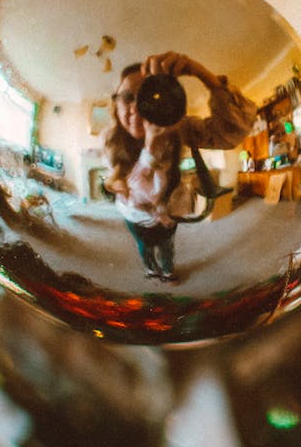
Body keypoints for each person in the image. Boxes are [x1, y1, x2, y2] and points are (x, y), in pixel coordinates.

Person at [103, 52, 257, 282]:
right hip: (133, 215)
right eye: (127, 97)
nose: (135, 107)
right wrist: (151, 147)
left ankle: (166, 270)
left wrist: (206, 78)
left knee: (166, 245)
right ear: (115, 105)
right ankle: (150, 268)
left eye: (146, 97)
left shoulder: (178, 128)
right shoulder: (110, 140)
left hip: (170, 215)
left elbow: (233, 132)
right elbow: (126, 189)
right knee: (143, 246)